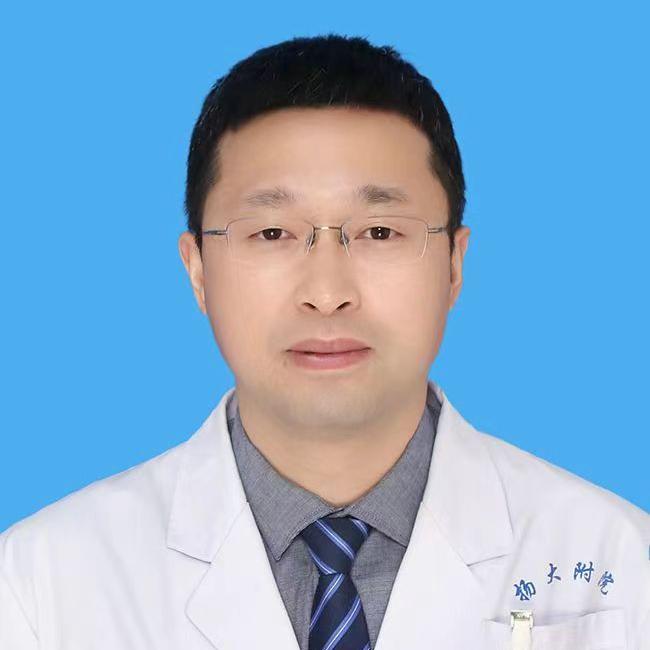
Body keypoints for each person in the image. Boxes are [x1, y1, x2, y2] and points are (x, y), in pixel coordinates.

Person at [1, 33, 648, 650]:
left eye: (380, 232)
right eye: (273, 233)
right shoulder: (42, 581)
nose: (328, 292)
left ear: (455, 263)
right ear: (197, 270)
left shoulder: (619, 556)